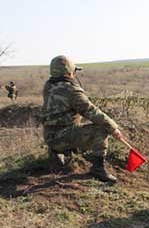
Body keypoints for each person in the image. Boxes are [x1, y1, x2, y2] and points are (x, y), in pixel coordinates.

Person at [40, 55, 123, 183]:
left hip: (49, 135)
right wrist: (113, 128)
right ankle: (98, 169)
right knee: (100, 129)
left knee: (75, 126)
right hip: (60, 137)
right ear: (69, 72)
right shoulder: (72, 90)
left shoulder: (48, 86)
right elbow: (91, 111)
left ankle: (57, 152)